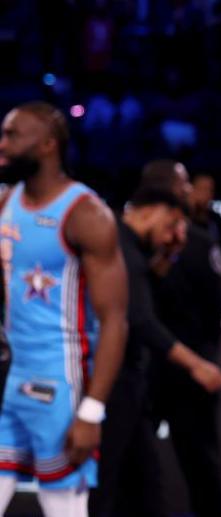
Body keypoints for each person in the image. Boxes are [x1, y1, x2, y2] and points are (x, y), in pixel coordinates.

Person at [0, 101, 128, 516]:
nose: (2, 144)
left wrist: (91, 410)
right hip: (11, 376)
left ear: (48, 144)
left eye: (13, 135)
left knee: (62, 508)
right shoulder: (7, 202)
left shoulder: (87, 213)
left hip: (60, 382)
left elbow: (114, 320)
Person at [141, 159, 221, 517]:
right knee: (139, 463)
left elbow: (215, 305)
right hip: (152, 368)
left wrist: (204, 357)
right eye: (184, 184)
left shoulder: (199, 239)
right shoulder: (128, 242)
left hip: (183, 370)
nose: (190, 191)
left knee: (199, 463)